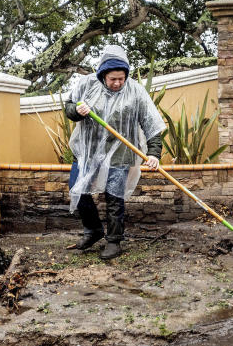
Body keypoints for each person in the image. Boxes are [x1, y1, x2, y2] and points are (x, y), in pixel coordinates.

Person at [63, 45, 166, 260]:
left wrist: (154, 153)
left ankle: (114, 241)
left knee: (114, 198)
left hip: (120, 154)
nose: (118, 83)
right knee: (77, 188)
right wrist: (77, 111)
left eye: (121, 78)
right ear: (103, 76)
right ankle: (93, 231)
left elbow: (152, 125)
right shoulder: (87, 84)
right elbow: (69, 107)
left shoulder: (136, 91)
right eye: (113, 79)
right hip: (88, 152)